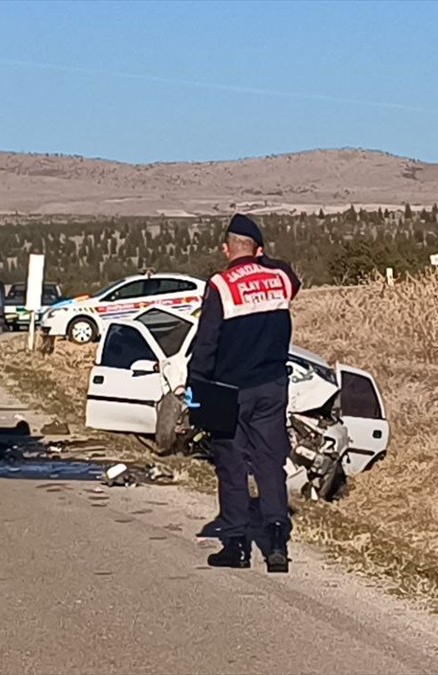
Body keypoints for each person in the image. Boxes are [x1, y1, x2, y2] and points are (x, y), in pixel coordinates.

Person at [185, 213, 300, 573]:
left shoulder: (220, 285)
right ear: (258, 249)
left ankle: (235, 546)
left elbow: (207, 342)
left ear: (225, 248)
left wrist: (195, 387)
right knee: (270, 463)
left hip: (229, 391)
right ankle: (277, 542)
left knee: (232, 467)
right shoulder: (280, 278)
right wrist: (261, 258)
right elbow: (289, 272)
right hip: (272, 387)